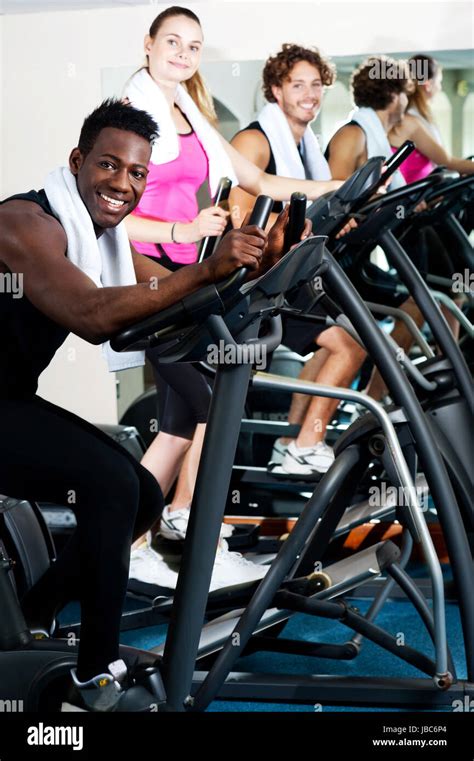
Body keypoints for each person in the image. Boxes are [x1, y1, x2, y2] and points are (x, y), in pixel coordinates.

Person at [0, 98, 291, 711]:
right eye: (109, 166)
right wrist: (207, 269)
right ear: (78, 161)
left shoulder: (100, 236)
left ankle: (32, 617)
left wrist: (257, 268)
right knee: (109, 482)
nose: (122, 185)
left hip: (8, 398)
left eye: (137, 174)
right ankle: (92, 678)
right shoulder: (24, 225)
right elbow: (93, 314)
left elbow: (156, 286)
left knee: (144, 491)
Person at [123, 8, 341, 538]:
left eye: (193, 46)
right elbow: (112, 214)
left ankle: (134, 538)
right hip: (152, 278)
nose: (182, 53)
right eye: (172, 41)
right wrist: (186, 230)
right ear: (148, 44)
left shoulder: (189, 115)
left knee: (178, 424)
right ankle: (177, 528)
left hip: (192, 275)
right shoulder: (128, 116)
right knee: (209, 406)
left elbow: (260, 180)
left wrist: (339, 187)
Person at [229, 44, 366, 478]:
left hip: (290, 274)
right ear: (276, 90)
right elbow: (235, 211)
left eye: (315, 84)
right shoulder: (256, 140)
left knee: (333, 347)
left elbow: (303, 204)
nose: (309, 94)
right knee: (350, 344)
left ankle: (293, 442)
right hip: (258, 282)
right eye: (297, 84)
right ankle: (307, 442)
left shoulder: (308, 145)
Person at [325, 56, 425, 402]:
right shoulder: (353, 134)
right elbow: (332, 199)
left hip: (360, 258)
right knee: (349, 343)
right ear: (396, 95)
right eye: (404, 94)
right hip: (337, 262)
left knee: (419, 303)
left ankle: (378, 397)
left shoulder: (377, 137)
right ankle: (372, 399)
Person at [389, 54, 474, 182]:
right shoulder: (409, 122)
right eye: (439, 82)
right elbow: (446, 162)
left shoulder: (413, 118)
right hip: (416, 199)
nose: (440, 87)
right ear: (428, 84)